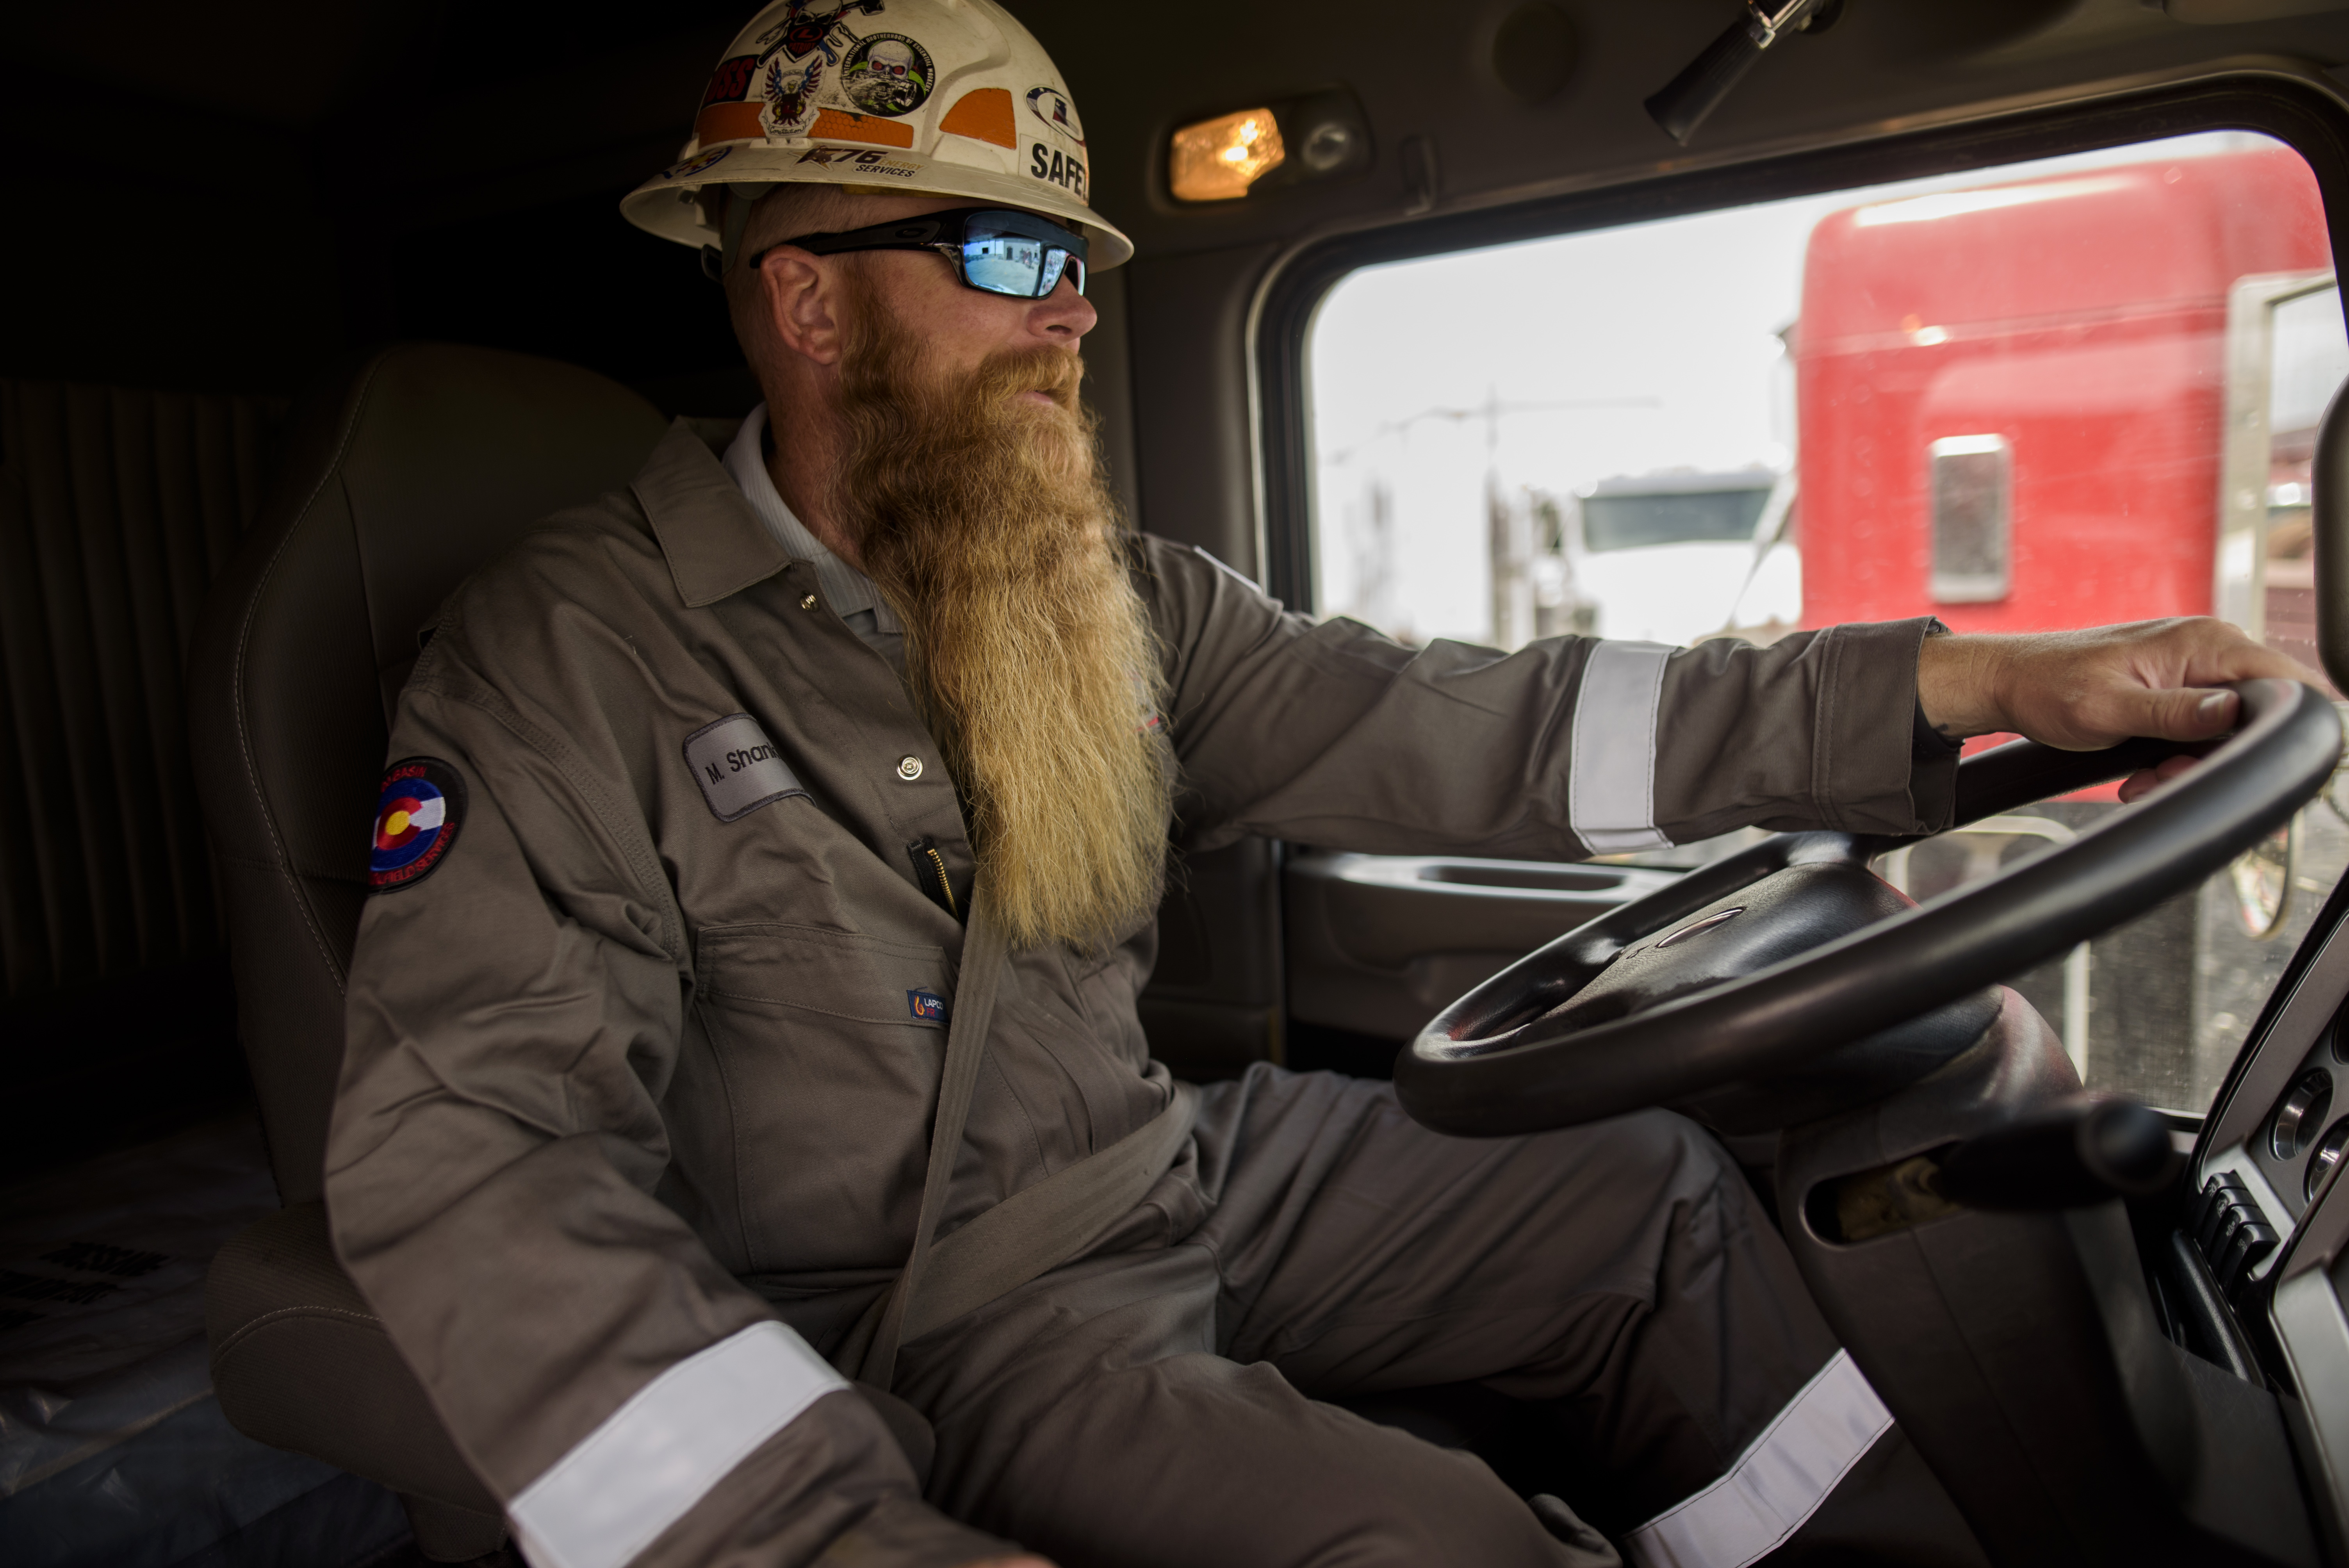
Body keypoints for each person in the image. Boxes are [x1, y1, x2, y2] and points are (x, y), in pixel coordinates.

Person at [324, 3, 2313, 1566]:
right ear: (809, 295)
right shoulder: (570, 652)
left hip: (1184, 1170)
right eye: (1013, 250)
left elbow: (1504, 724)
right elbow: (477, 1146)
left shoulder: (1100, 604)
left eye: (1081, 263)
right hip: (941, 1315)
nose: (1075, 311)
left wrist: (1984, 675)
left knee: (1652, 1211)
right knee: (1432, 1541)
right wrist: (812, 1536)